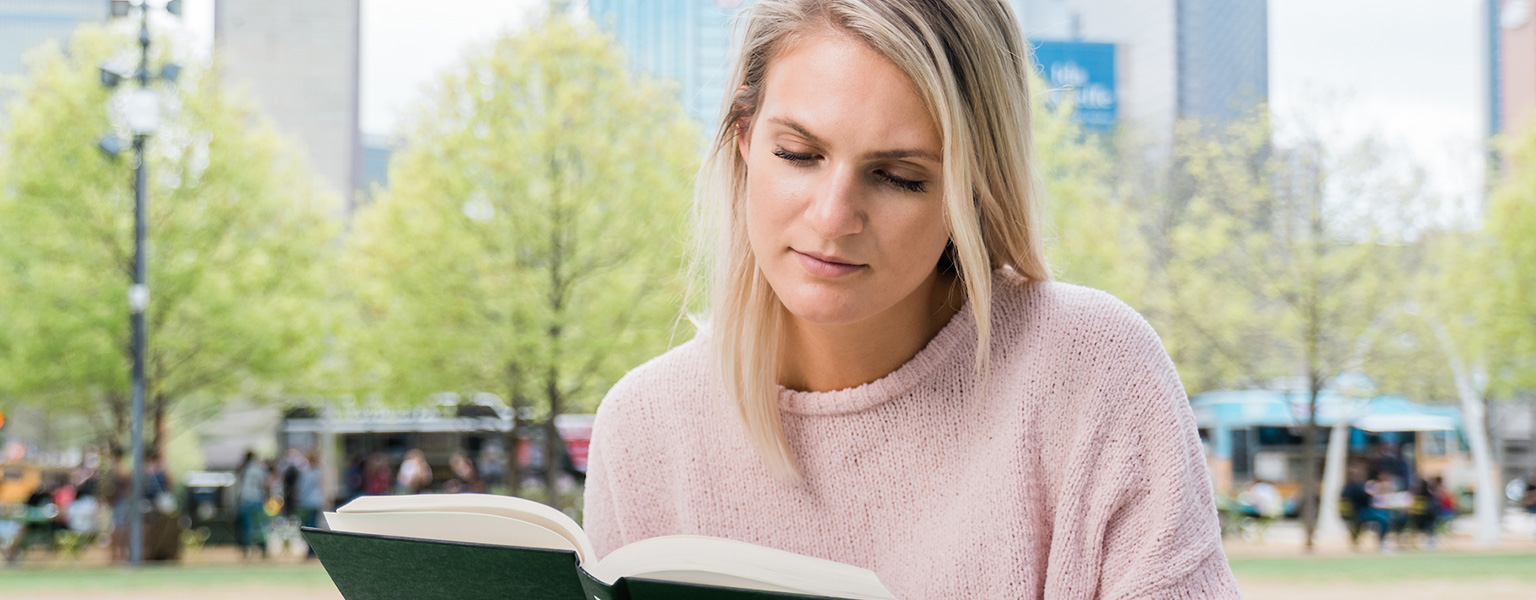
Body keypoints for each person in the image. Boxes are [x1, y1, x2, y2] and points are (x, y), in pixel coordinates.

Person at [578, 1, 1239, 597]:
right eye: (800, 154)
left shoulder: (1094, 371)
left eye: (897, 177)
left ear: (972, 188)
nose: (834, 217)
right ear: (745, 137)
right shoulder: (644, 430)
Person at [234, 451, 269, 560]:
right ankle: (263, 549)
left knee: (246, 528)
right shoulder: (258, 469)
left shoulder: (243, 469)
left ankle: (246, 551)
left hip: (245, 500)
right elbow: (265, 484)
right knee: (259, 526)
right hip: (257, 499)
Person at [1340, 465, 1374, 550]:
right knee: (1383, 518)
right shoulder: (1355, 487)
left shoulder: (1346, 487)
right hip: (1356, 513)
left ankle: (1355, 540)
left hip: (1349, 513)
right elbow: (1366, 498)